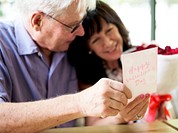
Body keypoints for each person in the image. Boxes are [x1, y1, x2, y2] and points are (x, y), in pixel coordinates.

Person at [0, 0, 148, 132]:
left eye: (81, 22)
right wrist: (80, 102)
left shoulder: (74, 48)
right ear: (38, 21)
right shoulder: (3, 43)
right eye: (72, 26)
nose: (81, 32)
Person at [68, 0, 150, 126]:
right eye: (96, 40)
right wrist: (121, 117)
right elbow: (92, 124)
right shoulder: (88, 73)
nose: (108, 43)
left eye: (109, 30)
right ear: (89, 48)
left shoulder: (141, 56)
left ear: (118, 27)